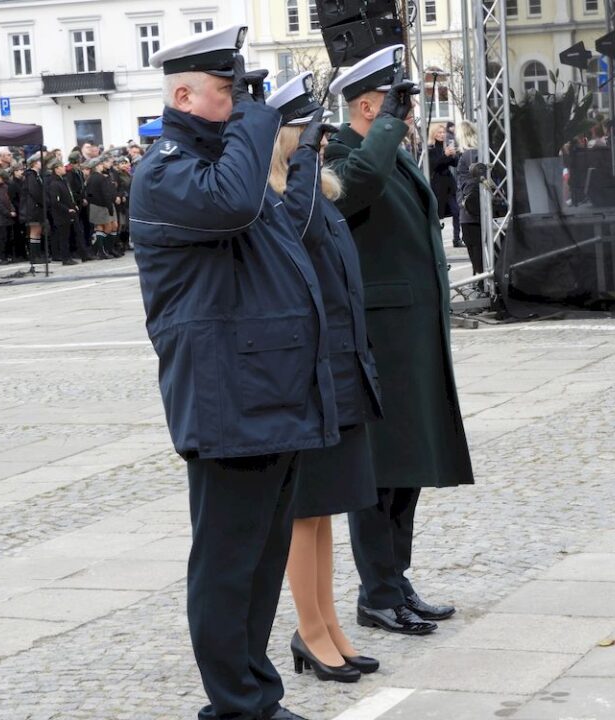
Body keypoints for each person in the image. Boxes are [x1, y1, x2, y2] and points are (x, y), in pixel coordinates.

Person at [130, 26, 338, 720]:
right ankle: (233, 706)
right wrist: (259, 116)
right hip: (228, 401)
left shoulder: (226, 162)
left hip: (269, 395)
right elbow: (235, 205)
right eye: (226, 92)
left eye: (240, 90)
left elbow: (289, 230)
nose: (239, 103)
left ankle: (256, 696)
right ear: (183, 95)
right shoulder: (165, 171)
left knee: (256, 564)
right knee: (226, 566)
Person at [325, 46, 475, 635]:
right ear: (366, 105)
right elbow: (358, 188)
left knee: (408, 464)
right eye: (395, 102)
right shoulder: (337, 154)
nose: (407, 113)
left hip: (411, 332)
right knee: (380, 470)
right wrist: (386, 127)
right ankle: (377, 592)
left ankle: (397, 578)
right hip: (379, 336)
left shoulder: (386, 148)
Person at [266, 73, 383, 684]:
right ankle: (308, 630)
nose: (319, 144)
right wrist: (304, 161)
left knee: (325, 510)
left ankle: (329, 622)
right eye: (307, 134)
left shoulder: (319, 190)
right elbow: (302, 227)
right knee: (303, 511)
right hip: (304, 378)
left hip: (337, 369)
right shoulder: (280, 200)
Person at [455, 120, 484, 275]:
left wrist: (464, 202)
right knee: (476, 253)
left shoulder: (469, 154)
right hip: (470, 212)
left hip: (470, 213)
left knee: (476, 255)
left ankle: (479, 282)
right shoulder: (473, 154)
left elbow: (473, 182)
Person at [427, 123, 461, 248]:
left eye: (443, 132)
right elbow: (434, 165)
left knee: (456, 211)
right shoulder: (430, 149)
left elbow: (455, 164)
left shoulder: (446, 147)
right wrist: (445, 155)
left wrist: (453, 155)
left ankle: (456, 239)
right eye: (439, 132)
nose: (441, 135)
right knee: (438, 215)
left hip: (448, 184)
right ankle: (436, 242)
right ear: (433, 134)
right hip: (437, 184)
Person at [46, 158, 79, 266]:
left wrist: (73, 206)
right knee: (63, 237)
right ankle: (65, 258)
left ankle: (67, 256)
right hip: (61, 214)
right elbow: (55, 201)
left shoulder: (62, 181)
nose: (64, 168)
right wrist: (67, 209)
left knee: (67, 236)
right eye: (61, 167)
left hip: (67, 214)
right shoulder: (54, 184)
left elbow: (67, 196)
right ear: (56, 169)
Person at [84, 156, 117, 258]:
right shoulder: (101, 178)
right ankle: (102, 250)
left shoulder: (90, 178)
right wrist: (109, 207)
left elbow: (88, 193)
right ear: (97, 166)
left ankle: (102, 250)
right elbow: (105, 194)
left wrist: (92, 201)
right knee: (106, 227)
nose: (102, 166)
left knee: (100, 227)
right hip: (102, 205)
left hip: (94, 205)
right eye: (101, 164)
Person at [19, 153, 46, 264]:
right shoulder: (31, 176)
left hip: (36, 207)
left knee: (38, 231)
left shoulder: (35, 175)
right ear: (35, 163)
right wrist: (42, 201)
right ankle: (34, 256)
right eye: (39, 161)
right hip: (33, 207)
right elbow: (34, 191)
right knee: (35, 231)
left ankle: (38, 255)